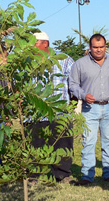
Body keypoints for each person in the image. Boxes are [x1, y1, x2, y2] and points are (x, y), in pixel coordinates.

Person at [69, 34, 109, 185]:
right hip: (89, 108)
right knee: (88, 141)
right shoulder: (80, 64)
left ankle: (108, 173)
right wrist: (82, 95)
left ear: (106, 47)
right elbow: (73, 84)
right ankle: (87, 175)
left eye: (101, 47)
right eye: (95, 47)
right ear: (90, 47)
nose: (99, 50)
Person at [30, 31, 75, 183]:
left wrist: (72, 103)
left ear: (45, 44)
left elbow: (73, 82)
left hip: (60, 111)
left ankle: (62, 174)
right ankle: (34, 175)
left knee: (62, 142)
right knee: (36, 144)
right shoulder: (28, 62)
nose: (31, 46)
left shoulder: (64, 60)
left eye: (35, 43)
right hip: (35, 112)